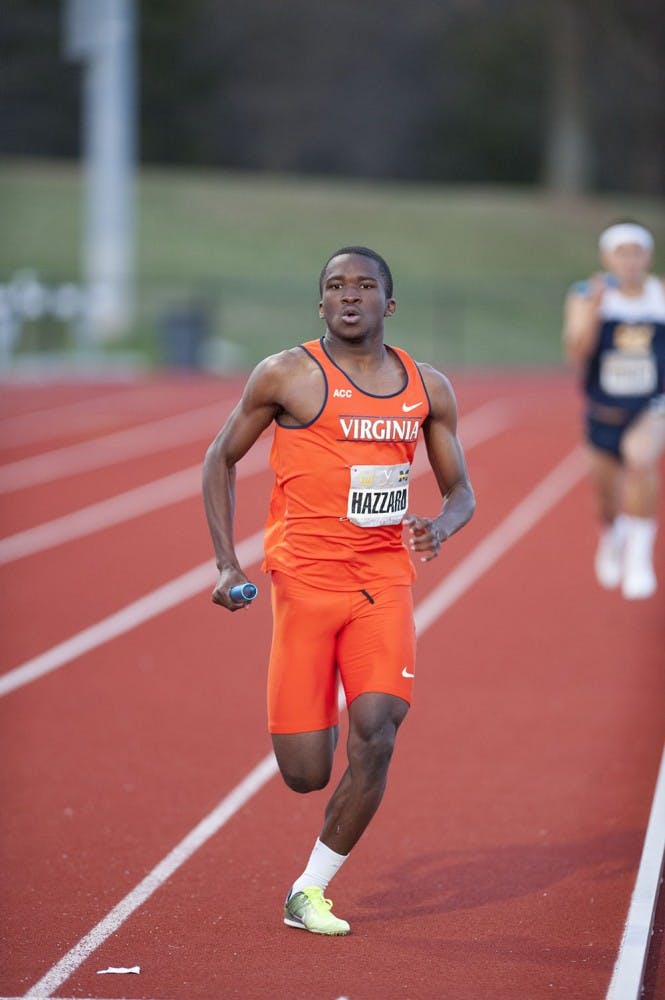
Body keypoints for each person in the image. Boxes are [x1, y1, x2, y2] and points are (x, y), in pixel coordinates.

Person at [202, 246, 475, 935]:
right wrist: (225, 565)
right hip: (303, 583)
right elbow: (220, 458)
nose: (348, 296)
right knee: (305, 774)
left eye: (363, 286)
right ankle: (308, 738)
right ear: (319, 304)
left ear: (389, 303)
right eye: (334, 286)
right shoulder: (286, 374)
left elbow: (461, 491)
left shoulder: (427, 387)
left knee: (377, 732)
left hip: (381, 581)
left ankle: (309, 890)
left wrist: (439, 525)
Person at [563, 222, 665, 599]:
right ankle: (613, 536)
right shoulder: (586, 294)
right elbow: (576, 355)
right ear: (607, 258)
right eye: (621, 253)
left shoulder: (660, 295)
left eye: (636, 252)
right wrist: (595, 311)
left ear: (648, 257)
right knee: (606, 500)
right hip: (604, 408)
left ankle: (639, 558)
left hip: (650, 406)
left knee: (640, 459)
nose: (629, 261)